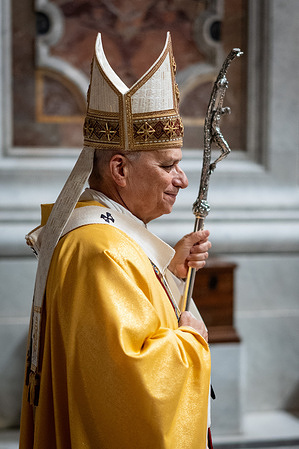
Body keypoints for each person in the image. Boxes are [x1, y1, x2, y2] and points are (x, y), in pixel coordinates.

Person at [19, 32, 212, 449]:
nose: (181, 180)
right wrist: (194, 343)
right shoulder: (100, 250)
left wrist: (171, 274)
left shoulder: (110, 235)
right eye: (168, 165)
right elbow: (130, 385)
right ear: (120, 169)